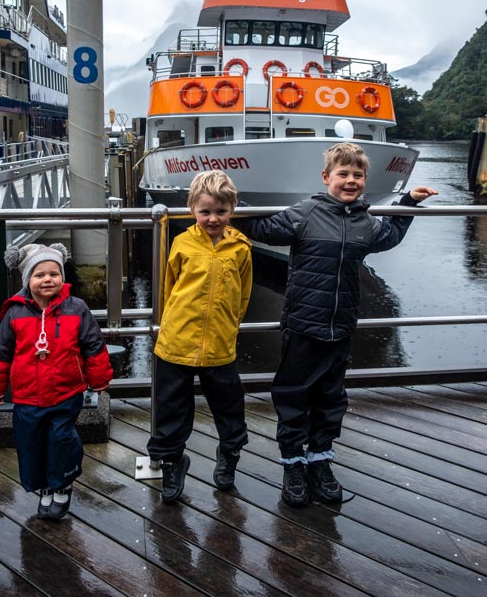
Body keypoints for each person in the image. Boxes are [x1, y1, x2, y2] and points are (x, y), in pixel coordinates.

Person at [236, 142, 437, 508]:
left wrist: (408, 203)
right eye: (343, 174)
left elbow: (388, 235)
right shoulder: (305, 214)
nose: (351, 181)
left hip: (341, 326)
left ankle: (320, 459)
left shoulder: (365, 221)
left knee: (331, 399)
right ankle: (293, 464)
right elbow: (264, 228)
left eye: (357, 175)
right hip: (302, 324)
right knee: (294, 395)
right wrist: (232, 204)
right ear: (326, 177)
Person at [0, 243, 113, 520]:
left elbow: (93, 345)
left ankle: (62, 482)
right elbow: (0, 353)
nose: (48, 279)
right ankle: (43, 486)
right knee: (30, 441)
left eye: (54, 273)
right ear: (27, 279)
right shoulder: (15, 313)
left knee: (62, 438)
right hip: (27, 396)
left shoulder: (76, 308)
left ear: (62, 277)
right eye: (39, 275)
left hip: (66, 393)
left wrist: (99, 380)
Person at [147, 171, 253, 504]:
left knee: (229, 406)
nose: (212, 218)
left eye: (220, 212)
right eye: (205, 211)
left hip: (220, 345)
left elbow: (243, 294)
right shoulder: (181, 243)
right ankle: (171, 461)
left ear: (231, 210)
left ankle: (229, 456)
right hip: (177, 341)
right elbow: (168, 287)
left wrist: (230, 325)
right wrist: (168, 325)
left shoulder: (240, 247)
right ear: (193, 208)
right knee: (171, 408)